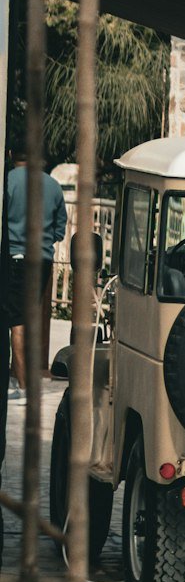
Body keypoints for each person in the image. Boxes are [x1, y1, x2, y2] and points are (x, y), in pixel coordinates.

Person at [6, 156, 67, 401]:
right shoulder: (53, 185)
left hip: (15, 257)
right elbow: (60, 229)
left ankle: (22, 385)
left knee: (16, 322)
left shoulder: (8, 181)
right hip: (42, 260)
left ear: (11, 156)